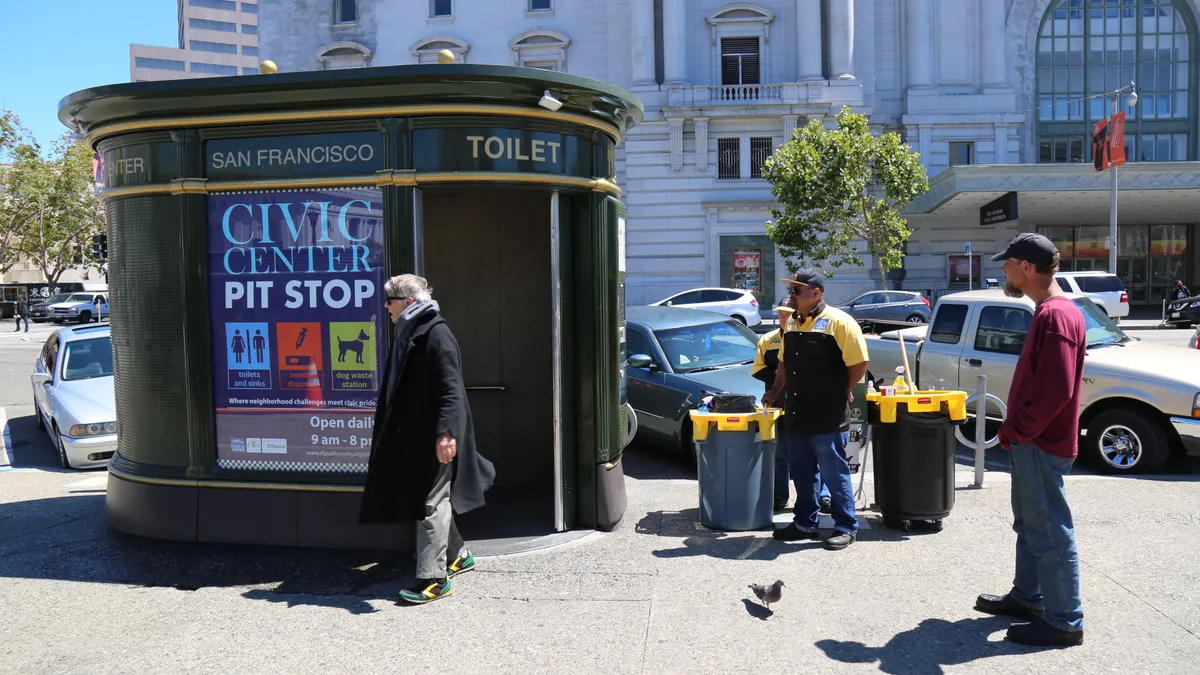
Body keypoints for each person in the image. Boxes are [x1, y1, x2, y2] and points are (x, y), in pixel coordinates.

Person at [975, 232, 1086, 648]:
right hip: (1035, 442)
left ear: (1026, 267)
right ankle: (1028, 597)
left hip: (1041, 444)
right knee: (1030, 525)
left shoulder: (1056, 315)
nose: (1003, 269)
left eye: (1008, 263)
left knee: (1050, 532)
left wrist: (1018, 431)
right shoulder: (1052, 311)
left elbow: (1055, 392)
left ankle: (1065, 621)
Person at [359, 274, 496, 604]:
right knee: (429, 497)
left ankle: (435, 578)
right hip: (417, 436)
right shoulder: (410, 332)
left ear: (407, 303)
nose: (385, 307)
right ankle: (458, 555)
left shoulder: (436, 334)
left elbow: (452, 390)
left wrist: (446, 433)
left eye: (389, 301)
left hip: (434, 436)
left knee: (430, 502)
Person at [763, 270, 869, 551]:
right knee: (802, 472)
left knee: (834, 472)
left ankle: (846, 526)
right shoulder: (793, 325)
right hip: (798, 412)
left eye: (797, 291)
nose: (792, 297)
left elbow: (859, 363)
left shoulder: (840, 323)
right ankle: (804, 523)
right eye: (792, 291)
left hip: (828, 414)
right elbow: (784, 362)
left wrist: (840, 388)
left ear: (817, 293)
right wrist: (775, 390)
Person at [752, 300, 831, 514]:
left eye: (787, 313)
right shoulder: (768, 340)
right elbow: (758, 369)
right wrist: (782, 380)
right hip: (780, 406)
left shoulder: (810, 335)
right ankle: (779, 496)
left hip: (809, 404)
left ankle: (824, 496)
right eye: (780, 314)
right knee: (781, 454)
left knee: (818, 452)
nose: (783, 317)